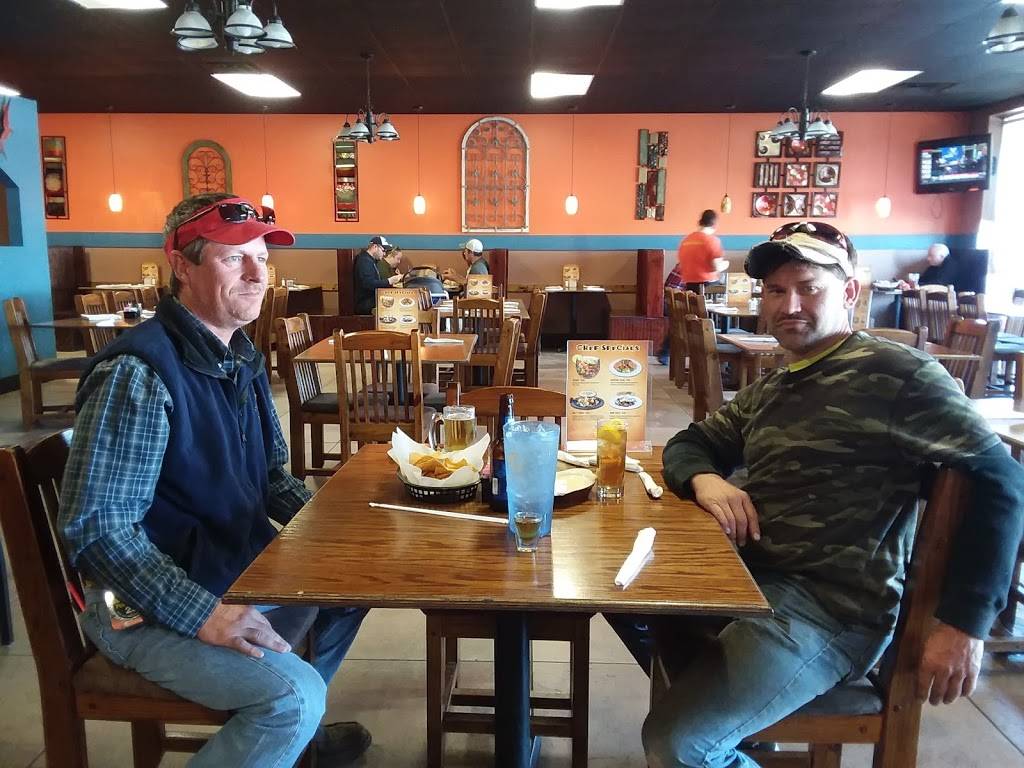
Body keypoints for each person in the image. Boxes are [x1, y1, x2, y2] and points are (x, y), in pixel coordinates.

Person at [609, 221, 1024, 768]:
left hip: (829, 612)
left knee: (677, 744)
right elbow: (692, 442)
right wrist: (706, 479)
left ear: (848, 291)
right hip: (749, 581)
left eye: (808, 288)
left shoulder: (898, 375)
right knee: (617, 591)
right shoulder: (775, 385)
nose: (789, 305)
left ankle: (719, 728)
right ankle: (740, 722)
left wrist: (964, 623)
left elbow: (1001, 479)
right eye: (776, 290)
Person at [59, 193, 373, 767]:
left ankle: (290, 744)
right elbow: (99, 530)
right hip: (136, 608)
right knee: (292, 699)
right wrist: (203, 613)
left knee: (356, 586)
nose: (257, 274)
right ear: (181, 265)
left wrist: (335, 531)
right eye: (234, 258)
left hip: (228, 569)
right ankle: (288, 725)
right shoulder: (138, 374)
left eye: (262, 258)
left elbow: (272, 477)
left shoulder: (239, 356)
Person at [677, 209, 729, 292]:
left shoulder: (685, 241)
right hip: (707, 288)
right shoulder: (712, 241)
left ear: (700, 222)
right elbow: (716, 266)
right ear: (715, 224)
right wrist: (726, 264)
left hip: (689, 287)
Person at [354, 235, 402, 314]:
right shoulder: (365, 261)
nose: (384, 254)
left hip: (371, 299)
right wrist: (389, 281)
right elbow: (368, 283)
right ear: (375, 247)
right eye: (383, 250)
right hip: (366, 304)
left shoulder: (370, 260)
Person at [656, 263, 687, 365]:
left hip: (668, 302)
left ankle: (664, 351)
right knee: (684, 322)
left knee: (680, 323)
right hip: (672, 305)